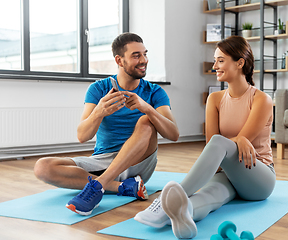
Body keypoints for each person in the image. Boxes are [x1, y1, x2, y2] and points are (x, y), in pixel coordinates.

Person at [134, 36, 276, 239]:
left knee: (220, 142)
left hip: (258, 176)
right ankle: (184, 213)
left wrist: (237, 140)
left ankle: (166, 202)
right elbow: (214, 146)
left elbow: (233, 141)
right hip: (229, 171)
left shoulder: (261, 99)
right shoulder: (215, 99)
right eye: (215, 60)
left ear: (240, 63)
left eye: (220, 60)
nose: (214, 66)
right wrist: (230, 149)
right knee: (208, 195)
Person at [33, 32, 179, 216]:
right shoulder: (98, 89)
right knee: (42, 167)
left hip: (139, 161)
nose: (144, 60)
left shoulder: (154, 92)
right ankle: (123, 187)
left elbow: (173, 134)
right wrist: (99, 112)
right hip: (103, 159)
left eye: (145, 54)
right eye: (136, 55)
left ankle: (99, 186)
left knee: (146, 120)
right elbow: (82, 136)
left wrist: (147, 108)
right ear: (119, 60)